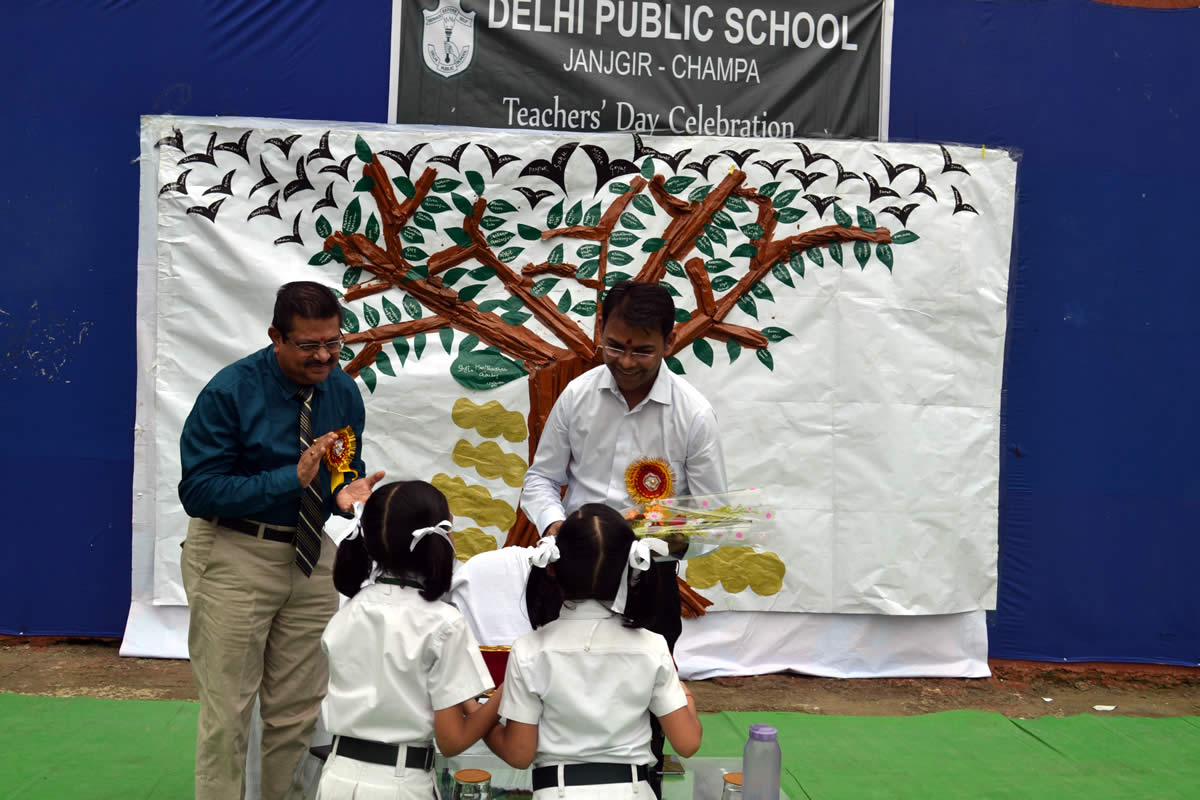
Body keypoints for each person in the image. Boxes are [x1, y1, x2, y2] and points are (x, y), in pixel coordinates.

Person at [178, 280, 384, 800]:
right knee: (228, 712)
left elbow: (342, 466)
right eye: (309, 345)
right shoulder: (230, 391)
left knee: (297, 712)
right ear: (276, 336)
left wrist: (343, 492)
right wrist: (288, 479)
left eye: (333, 342)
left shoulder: (341, 390)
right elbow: (198, 492)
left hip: (311, 555)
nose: (324, 356)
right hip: (234, 553)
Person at [519, 279, 727, 795]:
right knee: (556, 688)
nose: (626, 362)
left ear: (670, 341)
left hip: (648, 580)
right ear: (600, 331)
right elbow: (540, 479)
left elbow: (711, 515)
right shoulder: (578, 395)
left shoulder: (692, 413)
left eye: (642, 351)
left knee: (647, 704)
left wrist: (666, 538)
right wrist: (555, 527)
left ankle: (641, 782)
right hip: (571, 575)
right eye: (614, 346)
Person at [485, 504, 703, 798]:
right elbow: (687, 742)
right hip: (633, 790)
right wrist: (686, 696)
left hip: (557, 790)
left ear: (553, 567)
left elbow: (518, 753)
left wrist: (479, 723)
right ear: (631, 568)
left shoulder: (530, 649)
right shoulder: (651, 646)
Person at [317, 480, 500, 800]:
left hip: (336, 776)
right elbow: (452, 740)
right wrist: (508, 690)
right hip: (400, 782)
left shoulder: (349, 611)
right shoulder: (444, 623)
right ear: (438, 539)